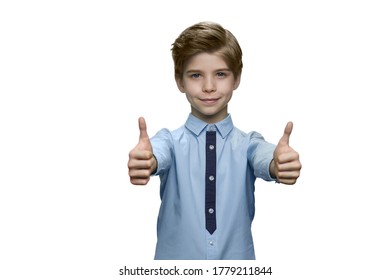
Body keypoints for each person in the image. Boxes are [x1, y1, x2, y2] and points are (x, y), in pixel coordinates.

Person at [127, 21, 302, 260]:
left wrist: (279, 164)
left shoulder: (249, 143)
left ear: (237, 78)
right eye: (196, 75)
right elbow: (157, 154)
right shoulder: (168, 141)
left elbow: (265, 157)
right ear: (180, 81)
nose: (209, 87)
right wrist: (147, 162)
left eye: (220, 74)